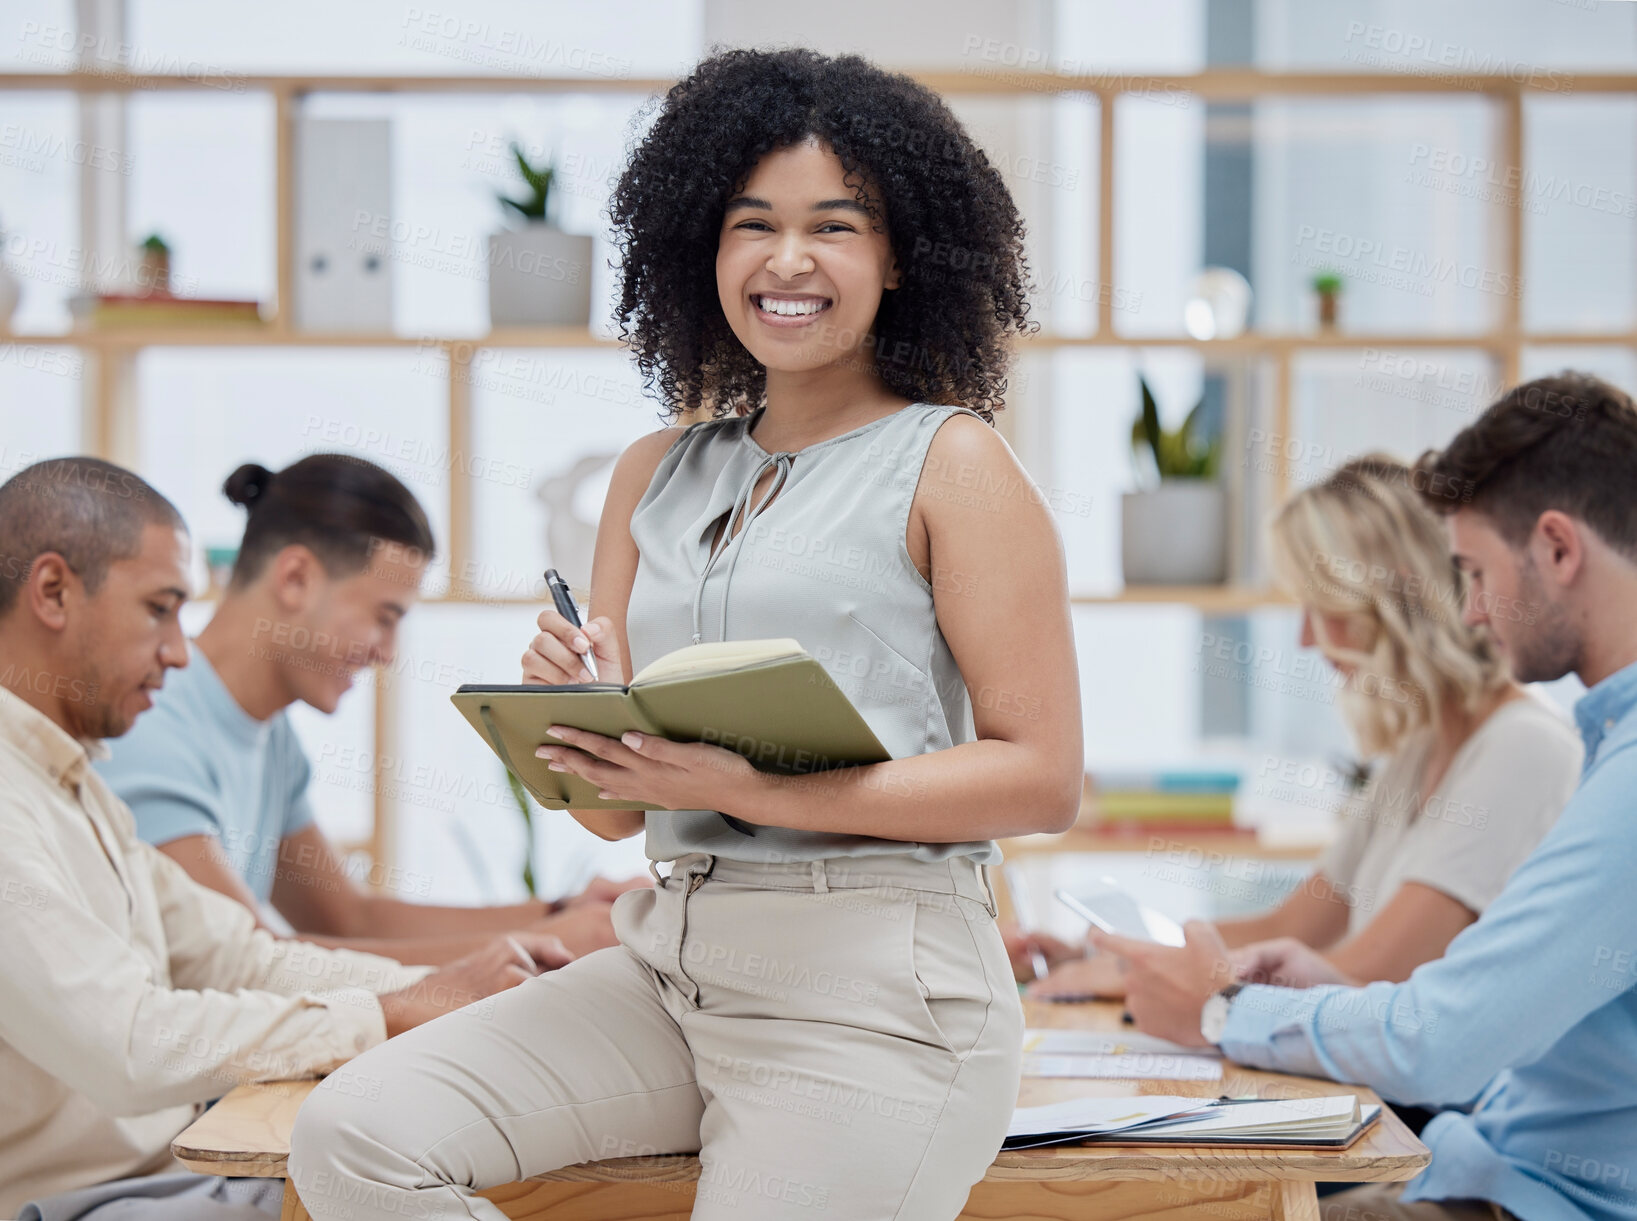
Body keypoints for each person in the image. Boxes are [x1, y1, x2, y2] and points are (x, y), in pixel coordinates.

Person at [289, 46, 1083, 1221]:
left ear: (900, 254)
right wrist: (573, 708)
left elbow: (1042, 777)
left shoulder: (952, 464)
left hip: (876, 993)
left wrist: (755, 786)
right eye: (750, 223)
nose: (787, 259)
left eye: (836, 226)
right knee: (354, 1136)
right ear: (699, 250)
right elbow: (614, 813)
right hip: (672, 962)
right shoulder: (652, 475)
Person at [1089, 372, 1637, 1221]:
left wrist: (1219, 1005)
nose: (1471, 609)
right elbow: (1421, 999)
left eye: (1476, 572)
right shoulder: (1599, 748)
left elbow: (1439, 1040)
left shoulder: (1569, 758)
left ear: (1558, 549)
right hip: (1484, 1163)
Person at [0, 457, 574, 1221]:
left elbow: (246, 954)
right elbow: (131, 1041)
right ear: (51, 591)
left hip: (168, 1169)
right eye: (159, 609)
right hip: (87, 1199)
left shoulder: (77, 783)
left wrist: (436, 992)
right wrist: (395, 1009)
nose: (178, 651)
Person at [1012, 456, 1582, 1003]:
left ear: (1393, 599)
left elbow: (1360, 976)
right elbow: (1292, 926)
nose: (1307, 640)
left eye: (1323, 607)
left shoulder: (1523, 748)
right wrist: (1101, 954)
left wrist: (1135, 976)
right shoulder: (1422, 751)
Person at [95, 453, 645, 965]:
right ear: (295, 578)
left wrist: (560, 912)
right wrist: (537, 943)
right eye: (384, 616)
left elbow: (348, 919)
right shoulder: (150, 721)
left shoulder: (268, 736)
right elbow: (240, 961)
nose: (386, 652)